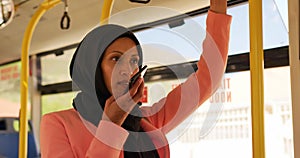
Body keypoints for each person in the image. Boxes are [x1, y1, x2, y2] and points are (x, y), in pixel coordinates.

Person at [40, 0, 232, 157]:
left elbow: (208, 79)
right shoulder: (58, 124)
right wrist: (111, 125)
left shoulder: (147, 120)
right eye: (116, 58)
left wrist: (218, 8)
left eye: (134, 61)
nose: (127, 69)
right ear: (92, 67)